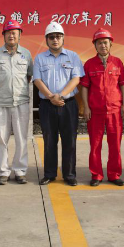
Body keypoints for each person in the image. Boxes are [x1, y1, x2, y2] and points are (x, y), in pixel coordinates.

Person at [33, 22, 84, 186]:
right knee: (49, 140)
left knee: (70, 140)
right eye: (51, 37)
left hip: (68, 104)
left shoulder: (73, 56)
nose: (55, 40)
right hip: (47, 105)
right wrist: (51, 97)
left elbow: (76, 79)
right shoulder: (40, 58)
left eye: (58, 36)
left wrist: (60, 96)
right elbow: (37, 80)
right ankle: (50, 174)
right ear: (46, 39)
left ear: (63, 38)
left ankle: (69, 174)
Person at [0, 20, 34, 185]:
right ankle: (3, 172)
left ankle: (20, 171)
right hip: (1, 102)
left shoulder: (26, 54)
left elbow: (28, 77)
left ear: (20, 35)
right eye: (8, 32)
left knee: (21, 138)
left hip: (21, 102)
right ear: (3, 35)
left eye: (14, 32)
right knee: (1, 139)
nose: (11, 35)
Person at [80, 28, 124, 186]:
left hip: (115, 110)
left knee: (115, 145)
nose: (103, 45)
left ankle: (114, 174)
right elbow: (85, 87)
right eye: (99, 43)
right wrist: (86, 107)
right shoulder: (89, 64)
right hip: (96, 111)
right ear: (95, 45)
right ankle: (96, 175)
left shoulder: (118, 62)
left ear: (111, 44)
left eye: (105, 42)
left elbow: (123, 85)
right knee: (95, 145)